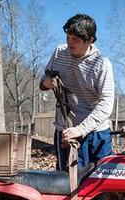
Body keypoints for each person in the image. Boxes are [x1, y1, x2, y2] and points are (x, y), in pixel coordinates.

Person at [40, 13, 115, 170]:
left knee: (98, 186)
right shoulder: (59, 52)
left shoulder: (101, 64)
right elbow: (45, 77)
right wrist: (46, 83)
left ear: (89, 41)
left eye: (75, 40)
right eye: (68, 37)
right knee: (66, 184)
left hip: (95, 133)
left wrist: (80, 129)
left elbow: (106, 104)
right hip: (65, 130)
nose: (69, 43)